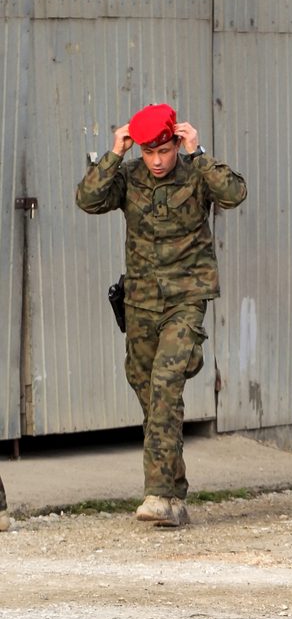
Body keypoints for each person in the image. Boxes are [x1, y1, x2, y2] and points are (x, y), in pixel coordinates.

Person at [76, 104, 247, 527]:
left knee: (166, 384)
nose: (156, 161)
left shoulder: (195, 172)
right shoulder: (129, 177)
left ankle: (156, 494)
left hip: (186, 298)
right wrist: (114, 153)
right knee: (147, 388)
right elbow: (87, 200)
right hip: (140, 302)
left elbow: (234, 193)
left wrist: (199, 151)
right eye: (149, 152)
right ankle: (174, 492)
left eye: (165, 150)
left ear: (176, 141)